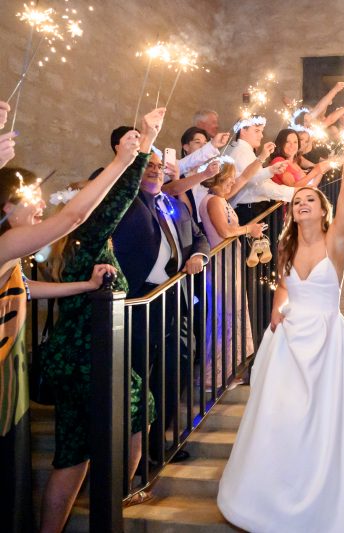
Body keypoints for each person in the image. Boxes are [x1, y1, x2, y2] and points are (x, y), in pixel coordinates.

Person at [217, 107, 344, 533]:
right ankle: (270, 493)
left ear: (321, 209)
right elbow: (284, 287)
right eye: (297, 200)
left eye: (308, 200)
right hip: (288, 341)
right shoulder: (286, 249)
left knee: (327, 421)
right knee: (283, 420)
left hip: (327, 339)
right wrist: (278, 312)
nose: (301, 204)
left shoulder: (337, 242)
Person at [0, 114, 154, 533]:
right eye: (28, 197)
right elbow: (72, 217)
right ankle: (112, 504)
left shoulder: (17, 254)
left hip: (20, 375)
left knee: (58, 459)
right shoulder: (13, 242)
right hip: (73, 361)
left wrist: (84, 285)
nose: (39, 203)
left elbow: (27, 289)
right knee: (76, 451)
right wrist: (125, 159)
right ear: (6, 207)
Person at [112, 146, 210, 465]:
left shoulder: (174, 205)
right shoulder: (127, 203)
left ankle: (157, 443)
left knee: (179, 362)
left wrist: (198, 255)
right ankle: (131, 454)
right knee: (138, 373)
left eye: (159, 166)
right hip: (140, 299)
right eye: (148, 165)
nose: (155, 170)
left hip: (173, 299)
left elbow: (198, 237)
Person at [197, 162, 259, 389]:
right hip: (221, 261)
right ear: (218, 179)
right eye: (228, 179)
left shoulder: (220, 200)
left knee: (231, 313)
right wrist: (248, 229)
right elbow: (224, 231)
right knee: (225, 314)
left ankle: (227, 371)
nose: (232, 183)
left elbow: (242, 180)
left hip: (230, 260)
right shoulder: (213, 200)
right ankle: (213, 375)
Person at [224, 116, 293, 224]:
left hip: (253, 209)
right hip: (249, 210)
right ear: (243, 130)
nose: (261, 135)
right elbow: (253, 183)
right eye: (257, 131)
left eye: (261, 131)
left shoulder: (245, 150)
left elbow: (257, 179)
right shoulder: (240, 151)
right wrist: (291, 193)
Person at [269, 128, 333, 187]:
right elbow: (293, 187)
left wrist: (321, 171)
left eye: (295, 142)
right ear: (281, 143)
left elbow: (311, 186)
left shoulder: (295, 163)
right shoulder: (278, 161)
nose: (292, 145)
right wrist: (315, 171)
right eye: (287, 142)